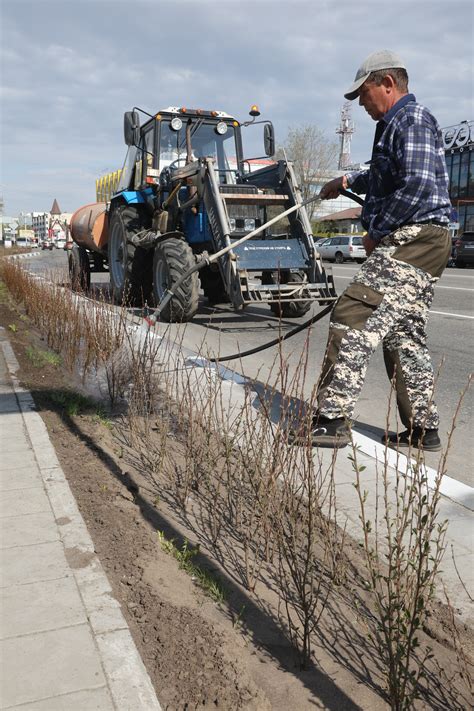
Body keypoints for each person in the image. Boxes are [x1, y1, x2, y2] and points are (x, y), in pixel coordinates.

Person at [291, 50, 452, 450]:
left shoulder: (411, 119)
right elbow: (385, 174)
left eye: (363, 94)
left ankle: (331, 421)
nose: (362, 104)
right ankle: (422, 429)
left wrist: (377, 231)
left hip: (415, 237)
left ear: (387, 84)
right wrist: (347, 179)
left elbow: (414, 184)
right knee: (403, 333)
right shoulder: (397, 124)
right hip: (426, 239)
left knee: (353, 314)